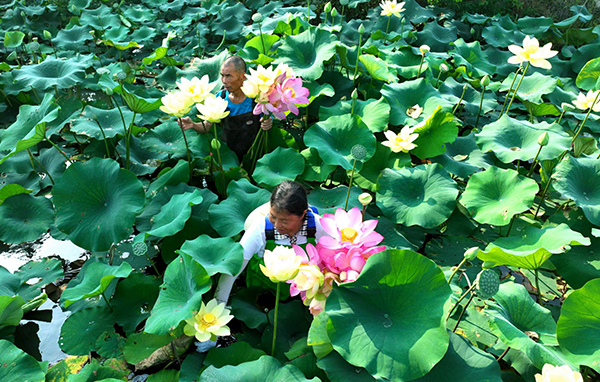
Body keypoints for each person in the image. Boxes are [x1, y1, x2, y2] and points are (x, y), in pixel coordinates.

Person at [214, 180, 327, 304]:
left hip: (305, 293)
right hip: (262, 296)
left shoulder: (317, 226)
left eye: (284, 221)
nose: (277, 225)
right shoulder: (260, 227)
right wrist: (219, 304)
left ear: (302, 214)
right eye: (273, 216)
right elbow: (234, 268)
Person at [181, 56, 273, 161]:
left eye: (228, 76)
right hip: (229, 157)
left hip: (255, 156)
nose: (224, 81)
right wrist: (192, 124)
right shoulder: (220, 97)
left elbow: (267, 123)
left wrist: (268, 123)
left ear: (243, 77)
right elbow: (206, 126)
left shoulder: (257, 98)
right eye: (222, 76)